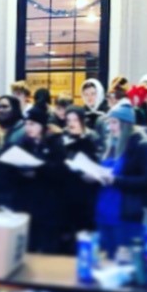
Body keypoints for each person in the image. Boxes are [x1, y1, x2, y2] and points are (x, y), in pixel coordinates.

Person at [88, 100, 147, 292]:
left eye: (115, 122)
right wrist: (93, 176)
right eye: (109, 122)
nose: (111, 127)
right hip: (105, 210)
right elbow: (105, 170)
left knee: (129, 259)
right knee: (109, 258)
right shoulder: (112, 143)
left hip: (127, 212)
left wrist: (116, 180)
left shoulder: (142, 144)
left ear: (127, 123)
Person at [12, 104, 67, 253]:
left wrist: (39, 170)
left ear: (41, 125)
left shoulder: (54, 142)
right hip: (28, 202)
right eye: (27, 124)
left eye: (32, 124)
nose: (28, 127)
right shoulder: (23, 143)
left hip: (48, 203)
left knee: (48, 246)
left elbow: (60, 170)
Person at [61, 105, 101, 252]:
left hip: (87, 193)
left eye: (75, 120)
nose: (71, 123)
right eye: (68, 120)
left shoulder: (92, 138)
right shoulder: (62, 139)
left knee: (85, 236)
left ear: (82, 121)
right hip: (67, 193)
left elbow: (98, 162)